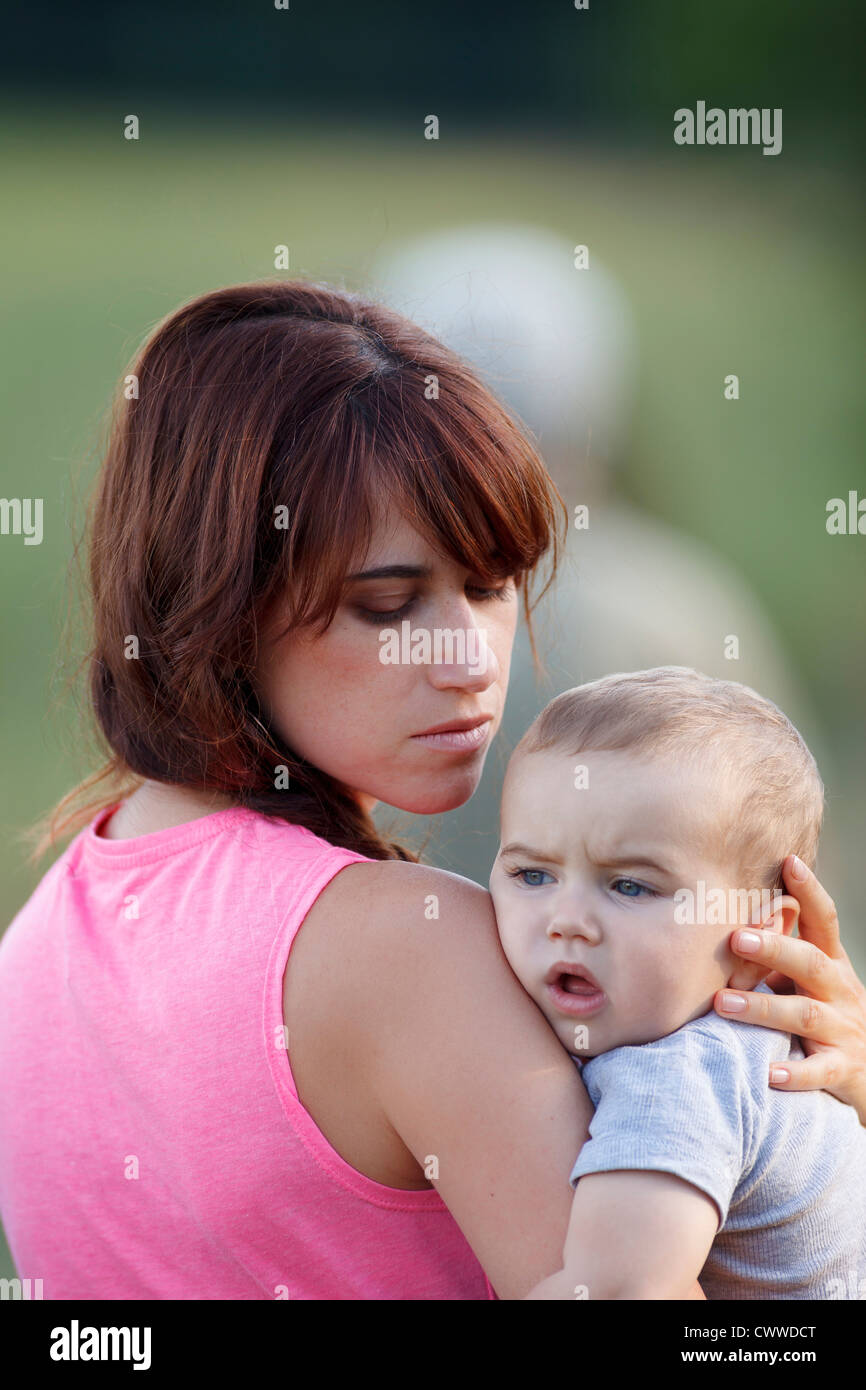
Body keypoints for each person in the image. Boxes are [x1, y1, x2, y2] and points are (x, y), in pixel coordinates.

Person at [0, 281, 863, 1301]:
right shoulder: (410, 944)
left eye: (492, 584)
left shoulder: (43, 935)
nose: (469, 659)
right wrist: (817, 1125)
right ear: (217, 601)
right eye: (387, 603)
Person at [487, 668, 866, 1299]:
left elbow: (618, 1291)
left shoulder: (685, 1072)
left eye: (630, 886)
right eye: (532, 875)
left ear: (756, 940)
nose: (568, 922)